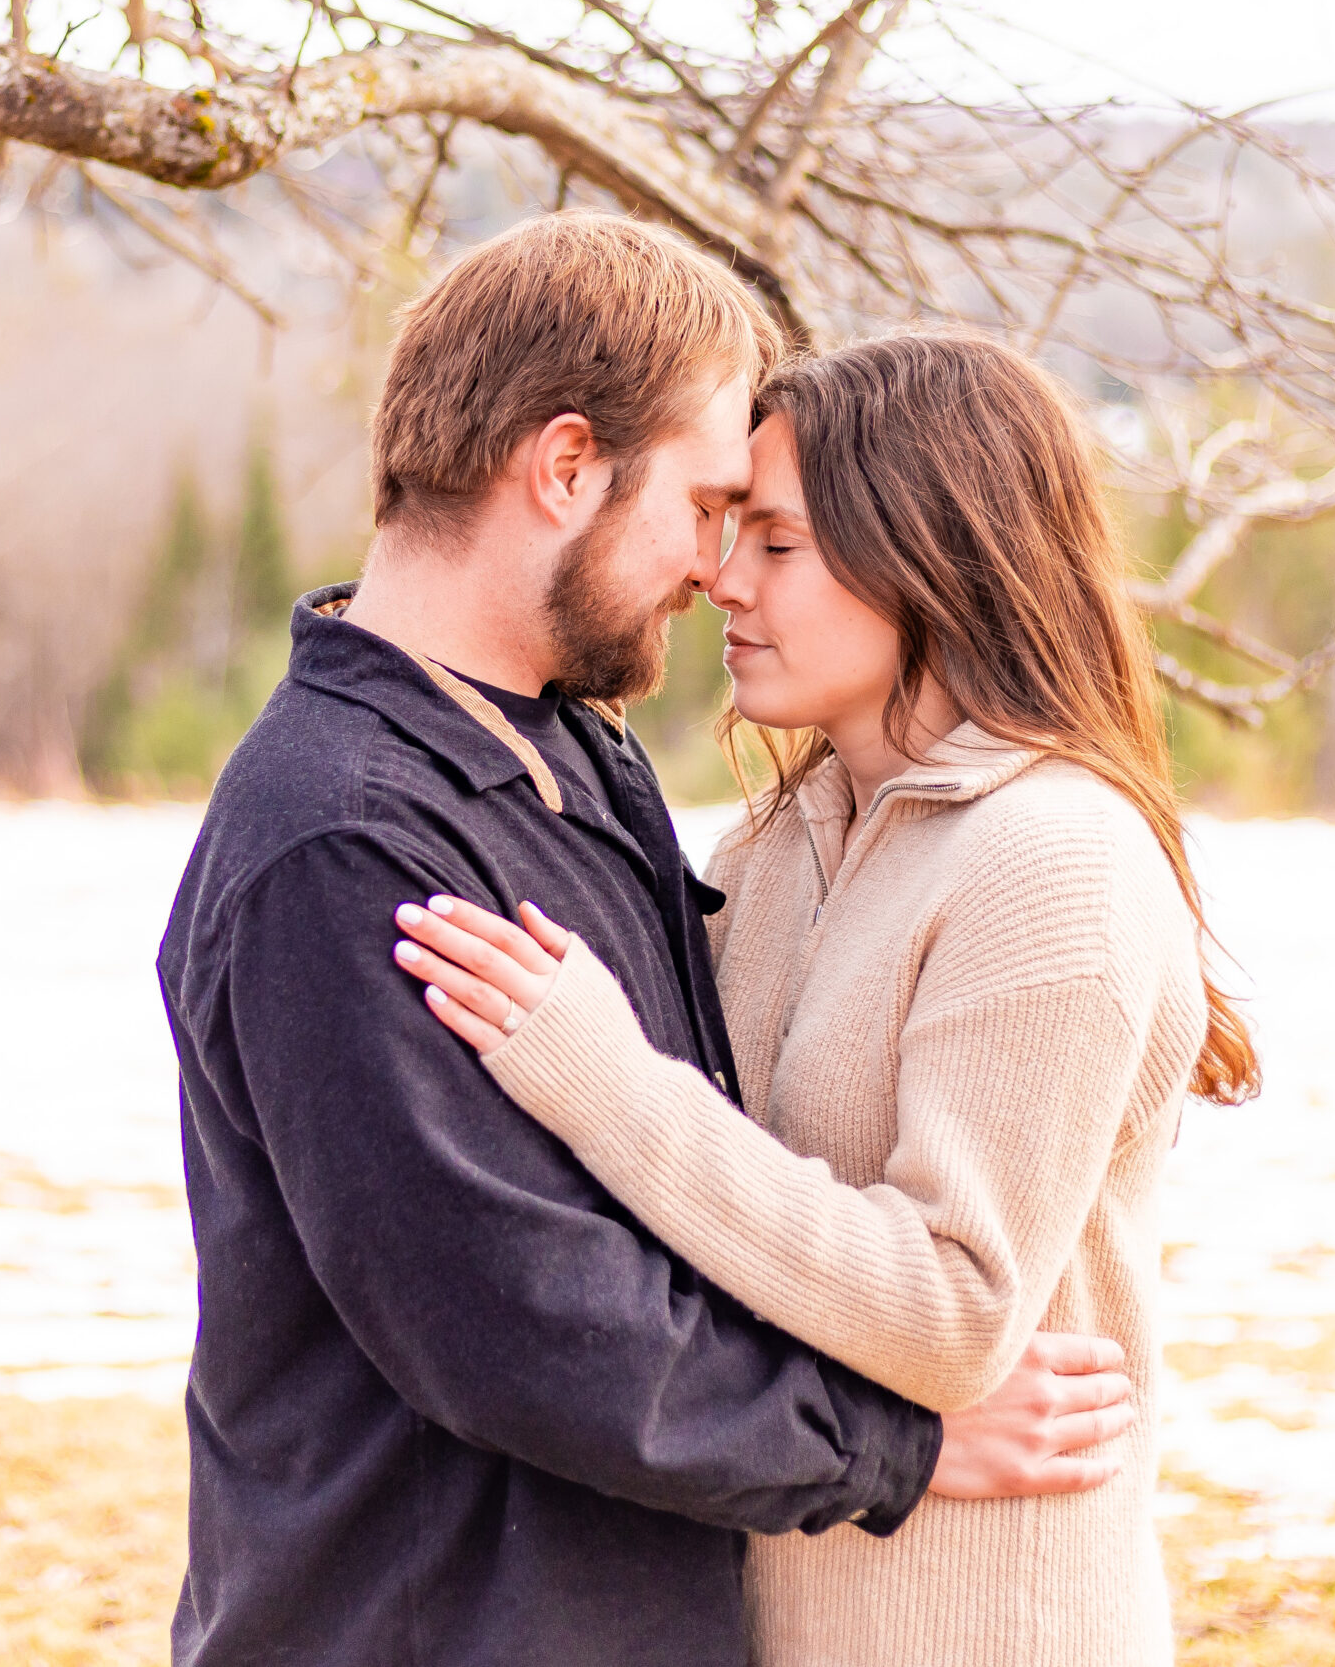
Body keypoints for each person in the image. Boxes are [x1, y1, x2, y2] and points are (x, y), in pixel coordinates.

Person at [157, 219, 1136, 1667]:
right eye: (704, 504)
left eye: (760, 528)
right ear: (564, 469)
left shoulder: (575, 765)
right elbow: (521, 1324)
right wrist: (892, 1451)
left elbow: (696, 1185)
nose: (713, 568)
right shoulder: (347, 841)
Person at [392, 328, 1260, 1665]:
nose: (722, 580)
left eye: (778, 544)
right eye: (730, 530)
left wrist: (610, 1087)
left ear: (932, 551)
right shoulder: (776, 849)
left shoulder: (1054, 859)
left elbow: (959, 1311)